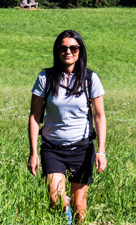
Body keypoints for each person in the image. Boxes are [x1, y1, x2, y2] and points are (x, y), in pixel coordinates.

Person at [28, 30, 107, 224]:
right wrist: (33, 152)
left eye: (73, 48)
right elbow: (34, 116)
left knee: (80, 206)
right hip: (52, 148)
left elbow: (99, 116)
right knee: (55, 199)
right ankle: (66, 214)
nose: (68, 52)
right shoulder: (45, 78)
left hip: (82, 148)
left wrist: (101, 151)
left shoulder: (90, 79)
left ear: (80, 50)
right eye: (63, 48)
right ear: (57, 51)